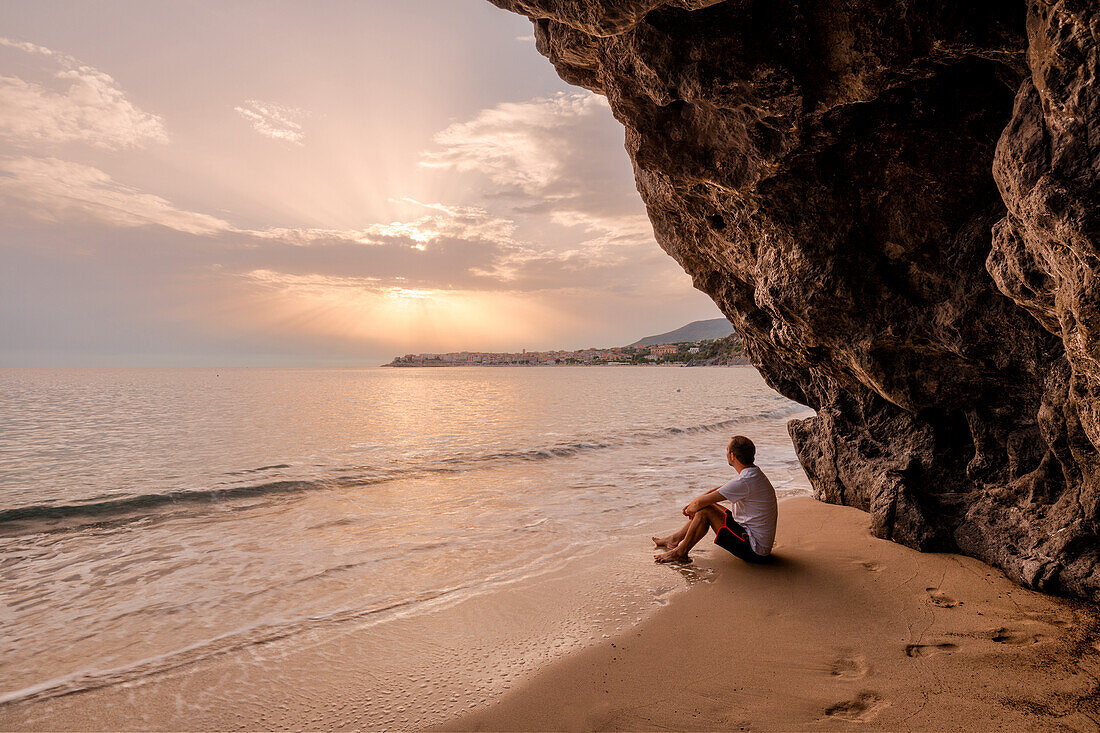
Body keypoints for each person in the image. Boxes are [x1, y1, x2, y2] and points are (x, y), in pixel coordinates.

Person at [652, 435, 777, 564]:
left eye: (727, 450)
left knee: (705, 510)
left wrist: (691, 508)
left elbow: (700, 503)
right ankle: (674, 539)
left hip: (754, 550)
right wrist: (693, 505)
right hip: (753, 539)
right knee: (707, 506)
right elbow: (715, 492)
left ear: (733, 456)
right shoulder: (753, 474)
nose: (726, 453)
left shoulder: (745, 481)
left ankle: (680, 553)